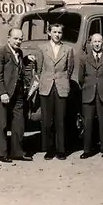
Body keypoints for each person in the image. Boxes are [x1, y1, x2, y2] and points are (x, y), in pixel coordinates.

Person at [0, 28, 33, 163]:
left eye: (20, 39)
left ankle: (17, 152)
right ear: (8, 38)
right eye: (15, 38)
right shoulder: (0, 53)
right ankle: (2, 154)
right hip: (3, 94)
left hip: (18, 94)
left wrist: (26, 59)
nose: (18, 41)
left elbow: (17, 67)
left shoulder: (19, 52)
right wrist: (2, 92)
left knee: (19, 124)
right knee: (1, 124)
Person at [34, 23, 75, 160]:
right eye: (55, 32)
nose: (57, 34)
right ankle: (49, 149)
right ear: (49, 33)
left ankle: (61, 150)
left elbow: (69, 69)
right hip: (46, 87)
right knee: (46, 120)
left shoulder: (68, 49)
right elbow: (39, 69)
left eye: (60, 32)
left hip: (61, 87)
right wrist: (44, 81)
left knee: (61, 119)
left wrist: (62, 80)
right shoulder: (42, 48)